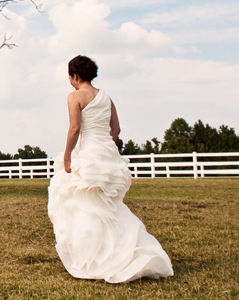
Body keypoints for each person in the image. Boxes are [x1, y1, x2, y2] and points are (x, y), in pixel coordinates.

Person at [48, 55, 173, 283]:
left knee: (83, 204)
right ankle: (123, 251)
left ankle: (95, 256)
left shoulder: (74, 97)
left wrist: (67, 156)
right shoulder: (106, 97)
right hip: (105, 151)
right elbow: (115, 129)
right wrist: (107, 146)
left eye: (70, 76)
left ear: (75, 75)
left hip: (87, 152)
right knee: (108, 207)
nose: (69, 81)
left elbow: (75, 128)